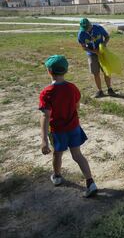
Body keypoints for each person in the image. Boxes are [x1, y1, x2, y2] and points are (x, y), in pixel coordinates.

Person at [39, 55, 97, 197]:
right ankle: (90, 182)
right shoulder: (72, 88)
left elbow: (45, 116)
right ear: (66, 71)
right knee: (77, 155)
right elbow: (77, 106)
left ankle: (57, 176)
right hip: (74, 127)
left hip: (58, 131)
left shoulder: (47, 92)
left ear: (49, 71)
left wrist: (44, 140)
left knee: (57, 153)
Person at [77, 18, 116, 98]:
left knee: (106, 70)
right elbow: (83, 47)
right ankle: (100, 91)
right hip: (92, 54)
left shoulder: (98, 28)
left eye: (87, 27)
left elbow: (107, 37)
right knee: (95, 73)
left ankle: (110, 89)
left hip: (102, 52)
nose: (86, 30)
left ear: (90, 25)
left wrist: (104, 45)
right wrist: (94, 51)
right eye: (84, 28)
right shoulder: (81, 34)